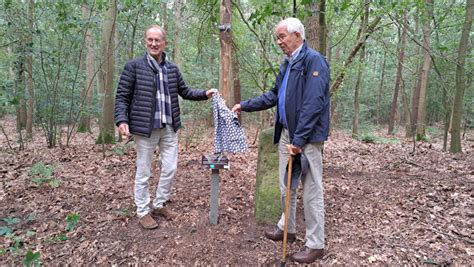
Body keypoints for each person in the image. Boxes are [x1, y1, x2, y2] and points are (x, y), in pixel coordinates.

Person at [232, 17, 330, 263]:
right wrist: (245, 105)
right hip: (288, 134)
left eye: (282, 36)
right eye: (277, 37)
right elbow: (274, 95)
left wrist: (299, 139)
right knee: (286, 186)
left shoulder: (313, 61)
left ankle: (316, 244)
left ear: (297, 36)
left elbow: (313, 104)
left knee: (311, 190)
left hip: (305, 138)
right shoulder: (288, 64)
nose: (279, 42)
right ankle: (288, 229)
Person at [115, 25, 217, 230]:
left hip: (169, 127)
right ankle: (143, 211)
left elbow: (185, 91)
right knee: (144, 171)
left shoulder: (171, 69)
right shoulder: (133, 67)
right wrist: (121, 120)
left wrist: (205, 93)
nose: (153, 43)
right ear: (146, 41)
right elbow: (122, 97)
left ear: (164, 43)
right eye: (150, 40)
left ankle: (159, 204)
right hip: (145, 128)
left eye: (157, 40)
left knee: (170, 168)